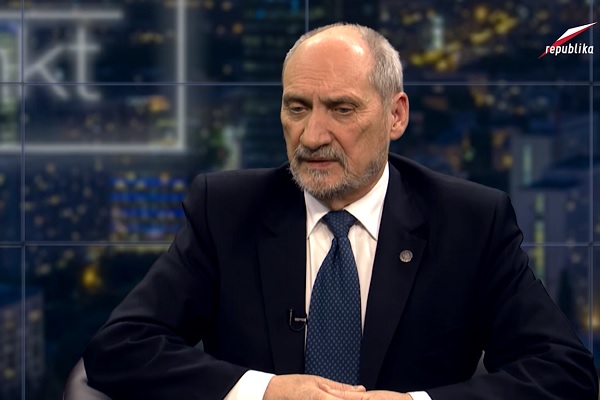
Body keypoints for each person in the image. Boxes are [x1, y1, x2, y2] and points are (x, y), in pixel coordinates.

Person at [83, 23, 598, 400]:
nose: (312, 136)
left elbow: (564, 372)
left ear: (396, 115)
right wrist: (265, 391)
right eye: (297, 108)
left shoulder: (470, 221)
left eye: (342, 109)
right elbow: (119, 348)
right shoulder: (226, 211)